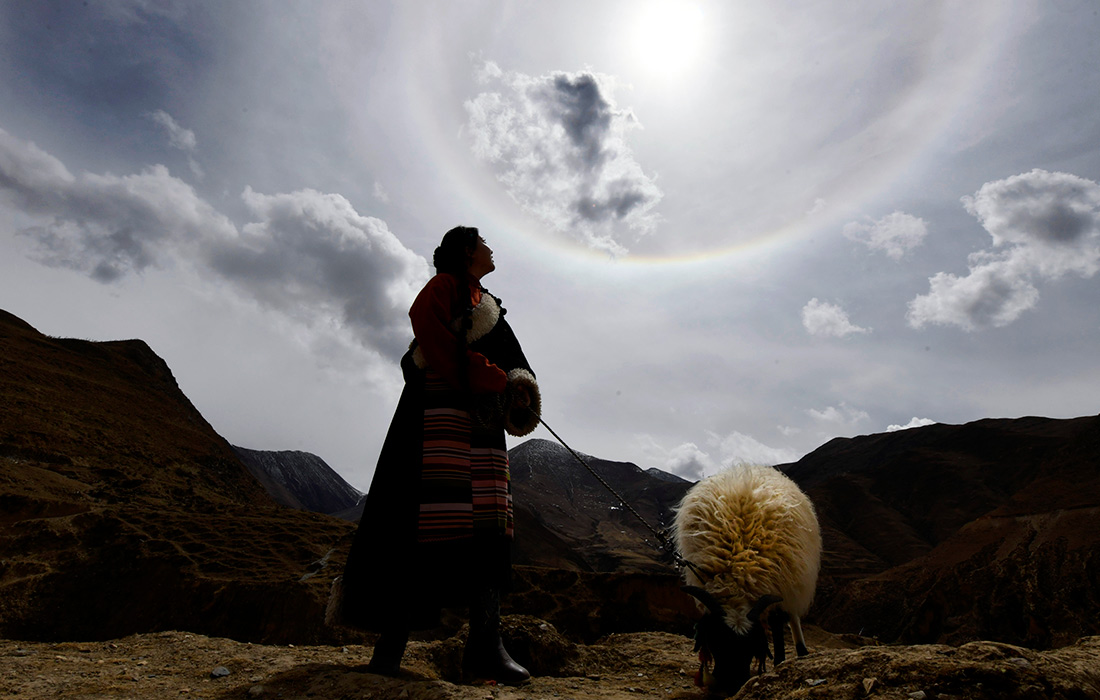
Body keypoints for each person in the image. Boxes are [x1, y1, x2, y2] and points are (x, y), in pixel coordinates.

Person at [335, 226, 540, 684]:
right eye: (484, 242)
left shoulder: (488, 302)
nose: (491, 248)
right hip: (434, 418)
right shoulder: (443, 287)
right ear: (467, 251)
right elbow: (431, 336)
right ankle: (388, 653)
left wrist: (521, 388)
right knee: (417, 526)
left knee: (488, 531)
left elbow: (514, 360)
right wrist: (493, 378)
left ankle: (485, 649)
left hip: (482, 427)